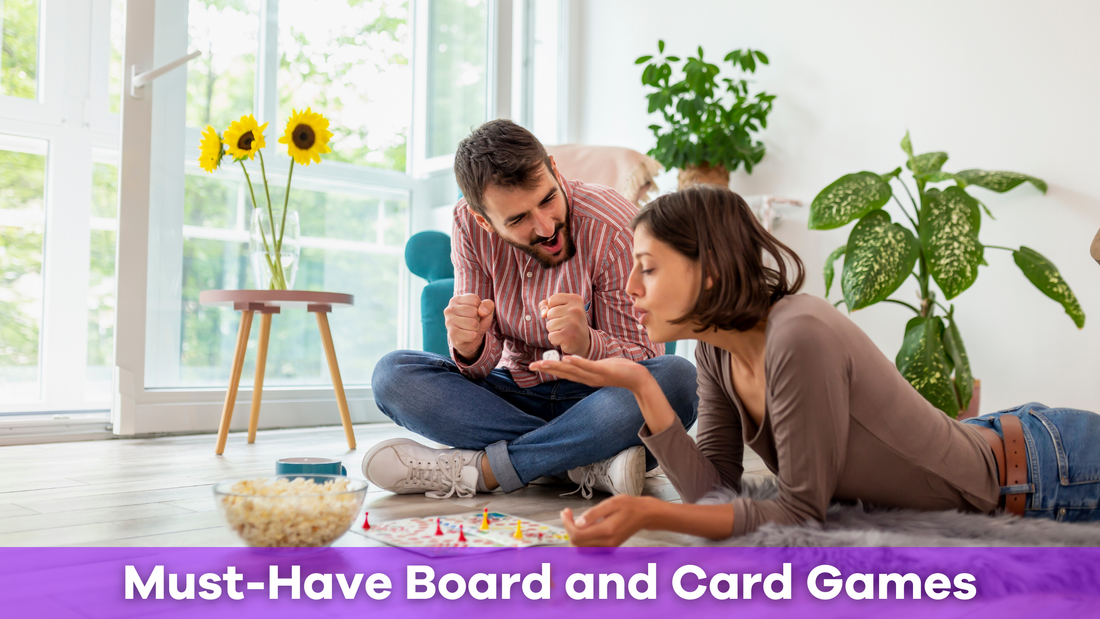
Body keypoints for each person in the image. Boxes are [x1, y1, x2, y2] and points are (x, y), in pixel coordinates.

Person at [531, 185, 1100, 545]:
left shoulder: (797, 335)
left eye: (648, 268)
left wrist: (653, 515)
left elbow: (799, 512)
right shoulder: (714, 351)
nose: (629, 288)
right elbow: (717, 493)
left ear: (707, 272)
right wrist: (640, 386)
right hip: (1001, 451)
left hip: (1049, 468)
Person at [364, 119, 699, 500]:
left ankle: (485, 470)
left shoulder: (614, 223)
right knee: (393, 374)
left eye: (547, 199)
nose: (544, 227)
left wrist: (588, 344)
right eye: (518, 219)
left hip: (600, 400)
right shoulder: (467, 225)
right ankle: (583, 462)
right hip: (514, 394)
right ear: (482, 219)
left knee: (678, 378)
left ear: (554, 170)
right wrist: (470, 346)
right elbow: (478, 367)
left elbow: (645, 358)